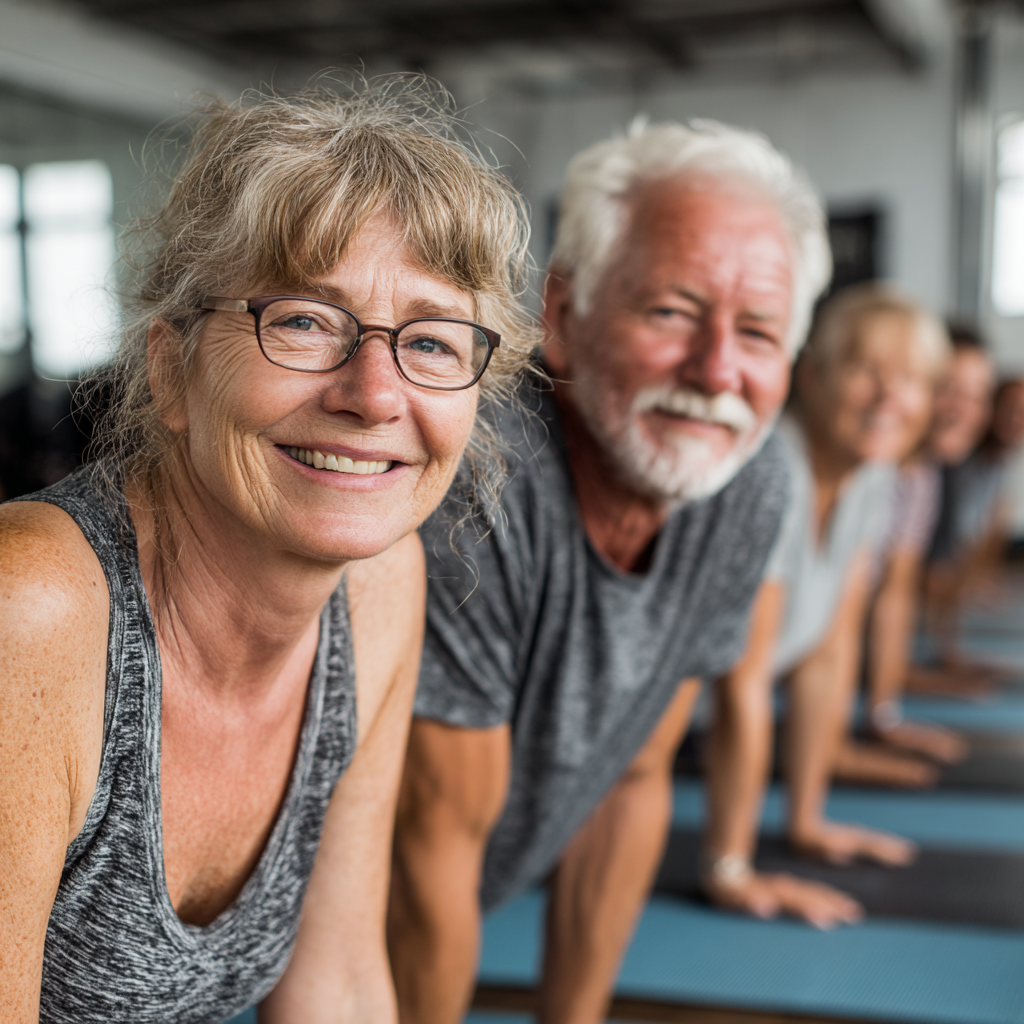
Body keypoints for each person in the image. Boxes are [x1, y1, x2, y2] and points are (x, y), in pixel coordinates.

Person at [0, 80, 538, 1023]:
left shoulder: (379, 584)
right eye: (303, 321)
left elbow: (337, 983)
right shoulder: (30, 609)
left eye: (433, 341)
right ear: (172, 370)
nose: (374, 395)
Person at [388, 119, 833, 1024]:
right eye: (670, 312)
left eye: (756, 331)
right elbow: (426, 859)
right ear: (563, 312)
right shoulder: (481, 468)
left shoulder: (749, 479)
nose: (717, 372)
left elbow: (630, 774)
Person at [705, 285, 952, 925]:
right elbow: (744, 678)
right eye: (866, 370)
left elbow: (828, 652)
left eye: (912, 380)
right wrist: (731, 865)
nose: (889, 398)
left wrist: (806, 820)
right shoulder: (772, 468)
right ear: (810, 376)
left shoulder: (874, 475)